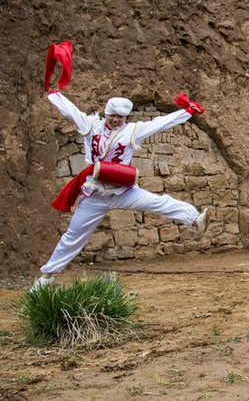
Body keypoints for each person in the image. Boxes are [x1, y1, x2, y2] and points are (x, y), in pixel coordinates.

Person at [33, 90, 210, 290]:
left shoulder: (133, 130)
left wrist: (187, 111)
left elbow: (159, 123)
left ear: (126, 117)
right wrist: (54, 94)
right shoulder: (90, 125)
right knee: (73, 236)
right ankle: (45, 279)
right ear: (106, 113)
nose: (116, 120)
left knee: (157, 201)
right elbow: (70, 111)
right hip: (95, 195)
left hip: (124, 191)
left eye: (121, 117)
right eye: (113, 116)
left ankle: (194, 218)